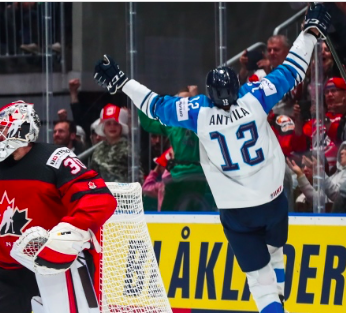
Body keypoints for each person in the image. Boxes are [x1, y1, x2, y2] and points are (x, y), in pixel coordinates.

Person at [93, 5, 330, 313]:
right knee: (274, 250)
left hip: (236, 210)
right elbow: (293, 68)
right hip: (272, 199)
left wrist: (122, 82)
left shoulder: (199, 112)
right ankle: (280, 296)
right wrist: (310, 31)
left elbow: (154, 105)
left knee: (258, 280)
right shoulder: (255, 97)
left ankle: (275, 304)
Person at [0, 100, 116, 313]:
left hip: (56, 265)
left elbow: (99, 198)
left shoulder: (55, 158)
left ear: (23, 131)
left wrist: (70, 233)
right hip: (10, 266)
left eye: (5, 129)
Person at [286, 136, 346, 207]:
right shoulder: (337, 173)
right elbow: (318, 199)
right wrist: (300, 176)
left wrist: (319, 171)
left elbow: (337, 195)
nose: (341, 151)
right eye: (342, 148)